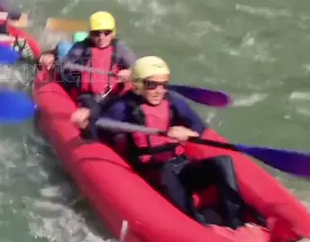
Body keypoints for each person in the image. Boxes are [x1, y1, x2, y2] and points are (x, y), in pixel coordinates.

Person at [76, 55, 264, 229]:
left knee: (223, 162)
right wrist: (86, 125)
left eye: (163, 85)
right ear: (139, 85)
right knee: (167, 172)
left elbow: (198, 127)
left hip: (182, 167)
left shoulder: (173, 101)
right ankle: (197, 225)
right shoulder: (123, 108)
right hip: (153, 172)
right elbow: (98, 132)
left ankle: (236, 219)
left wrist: (188, 133)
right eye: (152, 85)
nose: (158, 91)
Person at [62, 12, 136, 124]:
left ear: (113, 33)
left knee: (123, 110)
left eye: (106, 33)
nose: (101, 38)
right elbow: (64, 64)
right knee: (94, 110)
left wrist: (130, 72)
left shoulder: (119, 48)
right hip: (87, 96)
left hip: (112, 95)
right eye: (96, 34)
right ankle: (88, 122)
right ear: (90, 34)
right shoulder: (82, 48)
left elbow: (138, 67)